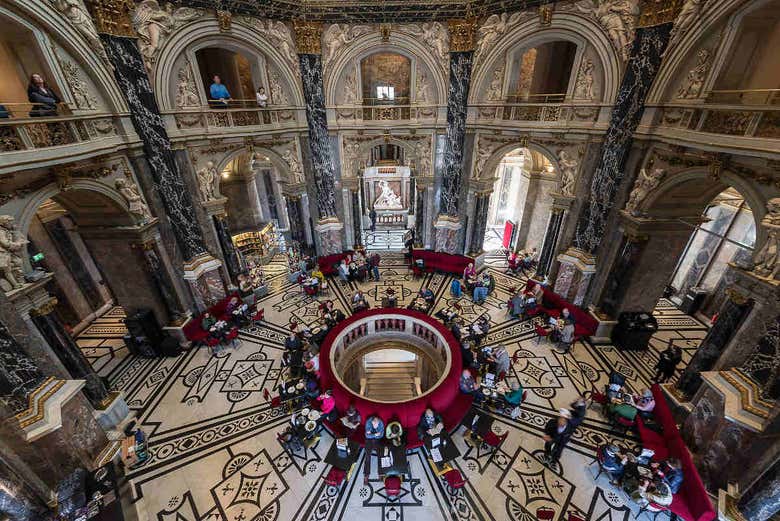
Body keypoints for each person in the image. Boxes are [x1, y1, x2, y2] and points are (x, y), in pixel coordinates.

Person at [364, 415, 385, 483]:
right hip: (369, 440)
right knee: (367, 456)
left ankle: (380, 473)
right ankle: (366, 474)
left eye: (377, 424)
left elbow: (381, 435)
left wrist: (372, 434)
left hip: (378, 440)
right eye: (374, 424)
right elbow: (367, 435)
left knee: (380, 455)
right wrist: (375, 434)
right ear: (372, 422)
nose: (376, 426)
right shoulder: (368, 422)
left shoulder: (381, 423)